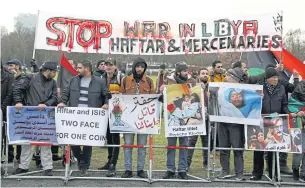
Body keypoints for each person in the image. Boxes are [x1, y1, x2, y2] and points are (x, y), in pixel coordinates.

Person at [58, 60, 109, 176]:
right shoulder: (73, 80)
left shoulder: (100, 82)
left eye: (79, 67)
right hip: (75, 116)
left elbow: (106, 95)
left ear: (87, 69)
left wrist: (106, 103)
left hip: (91, 117)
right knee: (73, 140)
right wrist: (62, 102)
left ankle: (84, 166)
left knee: (87, 141)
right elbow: (66, 93)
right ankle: (81, 159)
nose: (77, 69)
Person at [250, 67, 297, 181]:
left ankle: (273, 174)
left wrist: (288, 114)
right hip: (261, 121)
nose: (276, 79)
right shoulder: (259, 87)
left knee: (273, 148)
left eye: (277, 77)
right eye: (273, 77)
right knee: (259, 148)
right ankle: (257, 173)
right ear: (267, 78)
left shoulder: (281, 88)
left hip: (275, 122)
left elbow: (284, 104)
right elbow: (252, 103)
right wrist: (258, 99)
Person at [12, 61, 58, 176]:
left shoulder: (53, 82)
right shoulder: (30, 78)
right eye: (54, 71)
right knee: (27, 142)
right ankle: (24, 166)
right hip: (29, 114)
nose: (55, 73)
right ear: (48, 71)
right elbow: (17, 89)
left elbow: (55, 97)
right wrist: (18, 102)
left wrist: (46, 104)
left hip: (45, 116)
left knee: (46, 142)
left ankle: (48, 167)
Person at [120, 57, 154, 178]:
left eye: (142, 67)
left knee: (142, 145)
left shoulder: (149, 81)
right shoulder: (125, 80)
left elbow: (152, 100)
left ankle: (141, 169)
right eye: (137, 66)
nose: (139, 69)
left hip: (143, 119)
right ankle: (128, 169)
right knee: (128, 144)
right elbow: (120, 98)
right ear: (134, 67)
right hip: (128, 118)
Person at [160, 61, 196, 179]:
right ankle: (170, 169)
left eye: (187, 70)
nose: (187, 72)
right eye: (184, 70)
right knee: (171, 145)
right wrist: (162, 91)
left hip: (186, 118)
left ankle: (182, 169)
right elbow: (161, 97)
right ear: (178, 72)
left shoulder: (192, 81)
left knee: (184, 145)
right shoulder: (169, 80)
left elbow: (196, 95)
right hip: (172, 117)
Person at [216, 67, 246, 181]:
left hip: (236, 123)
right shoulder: (220, 87)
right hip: (222, 121)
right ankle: (225, 170)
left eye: (229, 75)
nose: (226, 77)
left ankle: (239, 172)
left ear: (235, 78)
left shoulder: (243, 89)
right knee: (223, 147)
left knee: (237, 148)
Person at [97, 58, 124, 177]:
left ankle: (113, 164)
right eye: (106, 65)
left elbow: (124, 93)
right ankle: (109, 161)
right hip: (104, 111)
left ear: (115, 66)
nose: (108, 67)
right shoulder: (101, 78)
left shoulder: (121, 77)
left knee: (115, 138)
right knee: (108, 136)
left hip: (117, 111)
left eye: (110, 65)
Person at [187, 68, 211, 170]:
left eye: (206, 73)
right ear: (199, 75)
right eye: (203, 73)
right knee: (191, 141)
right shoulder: (194, 87)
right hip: (195, 118)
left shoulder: (211, 87)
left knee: (206, 141)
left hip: (206, 118)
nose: (205, 75)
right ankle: (186, 164)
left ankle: (206, 164)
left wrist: (210, 96)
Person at [6, 59, 24, 163]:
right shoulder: (7, 78)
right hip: (8, 109)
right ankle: (9, 156)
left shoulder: (24, 78)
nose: (9, 68)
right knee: (8, 134)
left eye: (11, 65)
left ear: (17, 66)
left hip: (20, 109)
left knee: (20, 133)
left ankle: (19, 156)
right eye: (8, 66)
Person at [288, 80, 305, 182]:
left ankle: (303, 173)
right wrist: (299, 112)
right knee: (298, 150)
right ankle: (295, 169)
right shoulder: (300, 86)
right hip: (298, 124)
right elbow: (292, 104)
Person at [1, 63, 14, 166]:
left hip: (3, 111)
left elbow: (10, 93)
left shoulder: (8, 76)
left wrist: (1, 108)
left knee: (4, 135)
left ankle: (6, 158)